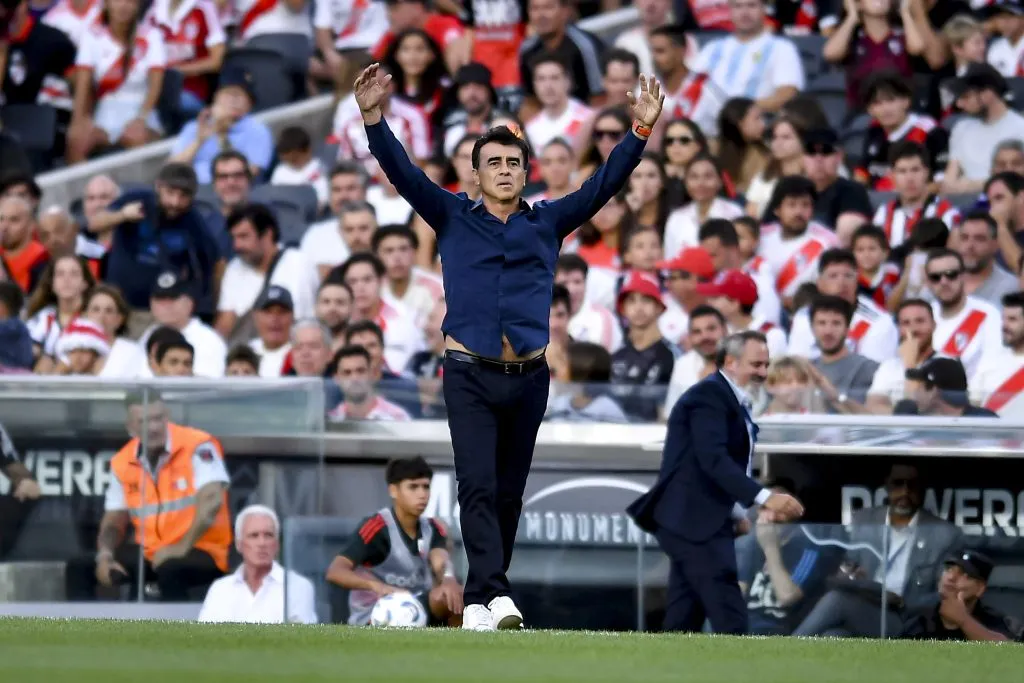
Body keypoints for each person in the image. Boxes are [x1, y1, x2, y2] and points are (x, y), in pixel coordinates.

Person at [356, 62, 664, 631]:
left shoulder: (548, 221)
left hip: (528, 375)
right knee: (476, 484)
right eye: (493, 162)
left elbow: (603, 185)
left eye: (513, 162)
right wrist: (373, 118)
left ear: (527, 172)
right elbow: (403, 173)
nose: (503, 170)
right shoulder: (450, 214)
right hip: (468, 372)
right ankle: (497, 595)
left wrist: (639, 132)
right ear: (475, 174)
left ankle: (480, 600)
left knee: (508, 494)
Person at [627, 331, 805, 634]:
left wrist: (735, 513)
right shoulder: (708, 397)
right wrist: (765, 497)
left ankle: (668, 660)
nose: (763, 373)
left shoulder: (729, 398)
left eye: (766, 364)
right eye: (756, 364)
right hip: (692, 520)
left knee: (684, 615)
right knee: (728, 611)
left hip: (696, 520)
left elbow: (716, 465)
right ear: (731, 362)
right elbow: (713, 460)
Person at [65, 391, 231, 601]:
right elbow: (114, 520)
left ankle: (177, 624)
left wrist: (180, 548)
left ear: (167, 416)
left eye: (158, 419)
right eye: (144, 421)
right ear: (130, 427)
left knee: (170, 568)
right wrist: (105, 556)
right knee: (80, 567)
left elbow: (211, 500)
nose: (153, 428)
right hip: (151, 552)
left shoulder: (197, 444)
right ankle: (82, 624)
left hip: (201, 549)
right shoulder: (123, 461)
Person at [326, 457, 464, 627]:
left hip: (416, 604)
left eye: (426, 487)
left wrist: (449, 577)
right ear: (393, 490)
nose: (422, 494)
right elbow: (335, 571)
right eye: (413, 487)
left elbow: (441, 561)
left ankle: (458, 642)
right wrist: (378, 586)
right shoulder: (377, 527)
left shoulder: (433, 528)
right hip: (377, 610)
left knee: (453, 596)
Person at [198, 505, 318, 624]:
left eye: (268, 535)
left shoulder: (297, 586)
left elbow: (300, 636)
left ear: (277, 544)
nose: (262, 543)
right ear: (239, 544)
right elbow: (205, 635)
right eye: (254, 536)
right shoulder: (220, 589)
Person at [901, 550, 1024, 642]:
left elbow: (1010, 652)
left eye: (965, 575)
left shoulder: (995, 621)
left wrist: (964, 621)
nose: (951, 578)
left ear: (980, 589)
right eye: (949, 570)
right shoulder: (919, 618)